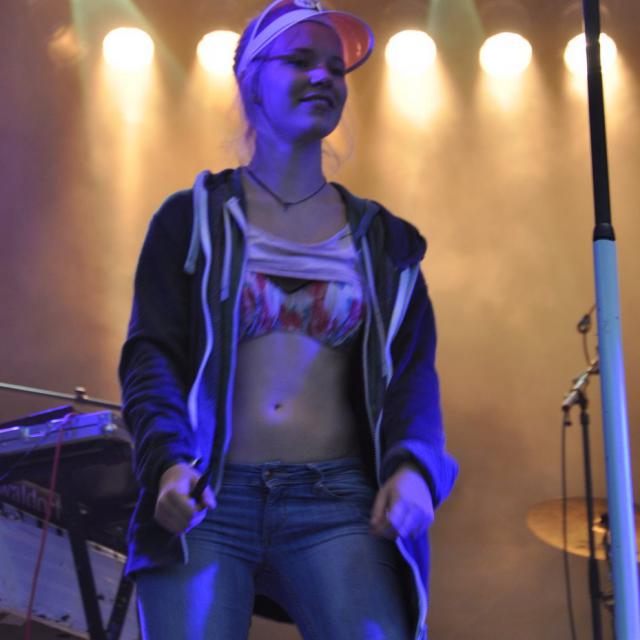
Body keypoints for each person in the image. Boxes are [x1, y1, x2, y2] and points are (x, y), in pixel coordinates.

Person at [118, 1, 458, 638]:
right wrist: (166, 463)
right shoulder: (192, 218)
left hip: (337, 503)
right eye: (300, 61)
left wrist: (414, 469)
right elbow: (151, 357)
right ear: (252, 82)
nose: (323, 76)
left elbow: (414, 377)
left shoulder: (384, 240)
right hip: (208, 497)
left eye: (336, 68)